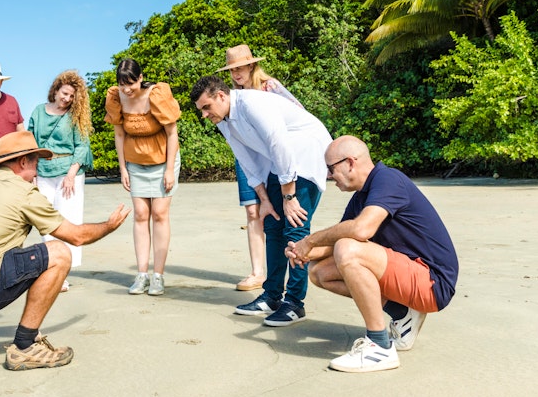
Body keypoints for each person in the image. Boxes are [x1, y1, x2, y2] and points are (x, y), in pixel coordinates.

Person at [0, 131, 131, 370]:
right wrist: (109, 226)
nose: (37, 172)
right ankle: (25, 346)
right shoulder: (24, 193)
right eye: (36, 164)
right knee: (59, 253)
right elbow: (77, 236)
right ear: (22, 162)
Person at [285, 136, 459, 373]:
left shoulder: (388, 179)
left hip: (432, 282)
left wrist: (311, 239)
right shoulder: (362, 197)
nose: (328, 176)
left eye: (330, 168)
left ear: (350, 162)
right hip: (410, 274)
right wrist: (302, 250)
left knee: (348, 250)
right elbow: (333, 243)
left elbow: (360, 230)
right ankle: (404, 313)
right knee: (320, 272)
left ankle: (379, 347)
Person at [190, 75, 331, 327]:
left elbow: (280, 144)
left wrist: (289, 196)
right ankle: (272, 296)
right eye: (201, 110)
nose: (204, 115)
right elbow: (247, 161)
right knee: (272, 225)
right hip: (279, 166)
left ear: (221, 96)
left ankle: (295, 303)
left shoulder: (253, 104)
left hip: (306, 157)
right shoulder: (223, 120)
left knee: (295, 228)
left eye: (206, 107)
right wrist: (264, 199)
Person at [217, 44, 303, 292]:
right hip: (247, 159)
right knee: (252, 211)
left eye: (240, 68)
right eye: (232, 70)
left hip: (274, 158)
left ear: (251, 65)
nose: (236, 74)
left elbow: (298, 113)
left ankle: (286, 274)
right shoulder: (231, 95)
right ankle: (257, 272)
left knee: (279, 212)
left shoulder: (270, 87)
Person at [105, 58, 181, 296]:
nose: (126, 89)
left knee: (159, 214)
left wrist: (169, 170)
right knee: (140, 214)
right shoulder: (116, 97)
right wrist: (123, 169)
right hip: (135, 162)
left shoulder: (156, 94)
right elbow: (119, 135)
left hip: (163, 159)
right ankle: (141, 275)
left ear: (140, 78)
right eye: (121, 83)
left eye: (131, 83)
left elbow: (172, 134)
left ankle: (158, 276)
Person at [28, 70, 94, 293]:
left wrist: (71, 175)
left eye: (72, 96)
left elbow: (82, 146)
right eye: (64, 93)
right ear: (56, 90)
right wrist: (32, 174)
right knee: (46, 222)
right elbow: (30, 143)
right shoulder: (38, 111)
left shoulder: (75, 116)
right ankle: (50, 266)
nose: (67, 99)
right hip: (43, 171)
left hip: (69, 172)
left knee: (68, 221)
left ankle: (63, 273)